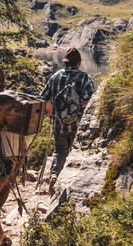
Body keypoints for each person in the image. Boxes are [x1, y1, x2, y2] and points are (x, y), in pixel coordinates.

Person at [40, 47, 95, 196]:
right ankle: (70, 185)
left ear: (66, 63)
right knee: (75, 152)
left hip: (59, 124)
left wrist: (51, 112)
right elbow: (89, 101)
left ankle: (54, 176)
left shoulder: (55, 77)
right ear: (78, 63)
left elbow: (44, 98)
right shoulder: (85, 78)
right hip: (78, 124)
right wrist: (74, 107)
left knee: (59, 151)